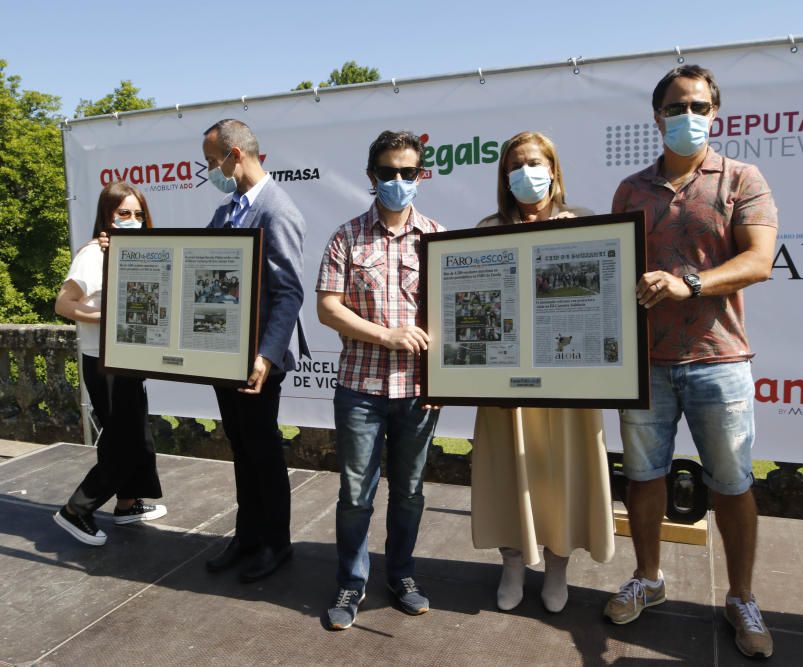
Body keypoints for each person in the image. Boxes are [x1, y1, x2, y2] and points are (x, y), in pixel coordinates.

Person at [603, 65, 778, 660]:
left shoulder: (741, 178)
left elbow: (759, 261)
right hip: (645, 363)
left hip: (718, 359)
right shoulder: (630, 190)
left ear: (716, 112)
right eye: (678, 107)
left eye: (700, 106)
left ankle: (742, 596)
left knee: (731, 484)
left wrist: (689, 283)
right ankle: (648, 578)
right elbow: (614, 269)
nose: (690, 116)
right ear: (658, 116)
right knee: (644, 478)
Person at [471, 132, 615, 613]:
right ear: (503, 176)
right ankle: (512, 564)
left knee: (562, 477)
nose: (525, 174)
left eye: (534, 163)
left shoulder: (588, 225)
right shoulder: (487, 228)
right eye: (515, 166)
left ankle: (557, 568)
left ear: (553, 169)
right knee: (506, 474)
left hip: (569, 385)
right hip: (505, 386)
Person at [316, 130, 444, 630]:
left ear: (419, 176)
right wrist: (387, 336)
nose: (397, 180)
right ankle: (351, 579)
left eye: (407, 172)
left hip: (418, 393)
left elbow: (452, 317)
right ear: (372, 176)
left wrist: (443, 382)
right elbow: (328, 308)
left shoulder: (438, 237)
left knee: (409, 492)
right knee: (356, 495)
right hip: (360, 390)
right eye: (388, 172)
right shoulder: (346, 237)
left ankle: (402, 574)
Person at [201, 119, 306, 583]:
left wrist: (266, 355)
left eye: (212, 161)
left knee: (263, 452)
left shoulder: (277, 211)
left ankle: (275, 545)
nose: (210, 170)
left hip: (258, 360)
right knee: (241, 449)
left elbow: (288, 293)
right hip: (226, 354)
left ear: (235, 155)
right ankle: (246, 537)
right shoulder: (227, 212)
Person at [53, 181, 166, 546]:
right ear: (107, 216)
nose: (132, 220)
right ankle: (76, 510)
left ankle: (128, 503)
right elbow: (63, 304)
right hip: (104, 363)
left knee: (135, 434)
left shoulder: (131, 252)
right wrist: (108, 315)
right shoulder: (92, 255)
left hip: (131, 358)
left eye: (138, 214)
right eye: (123, 214)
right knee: (123, 442)